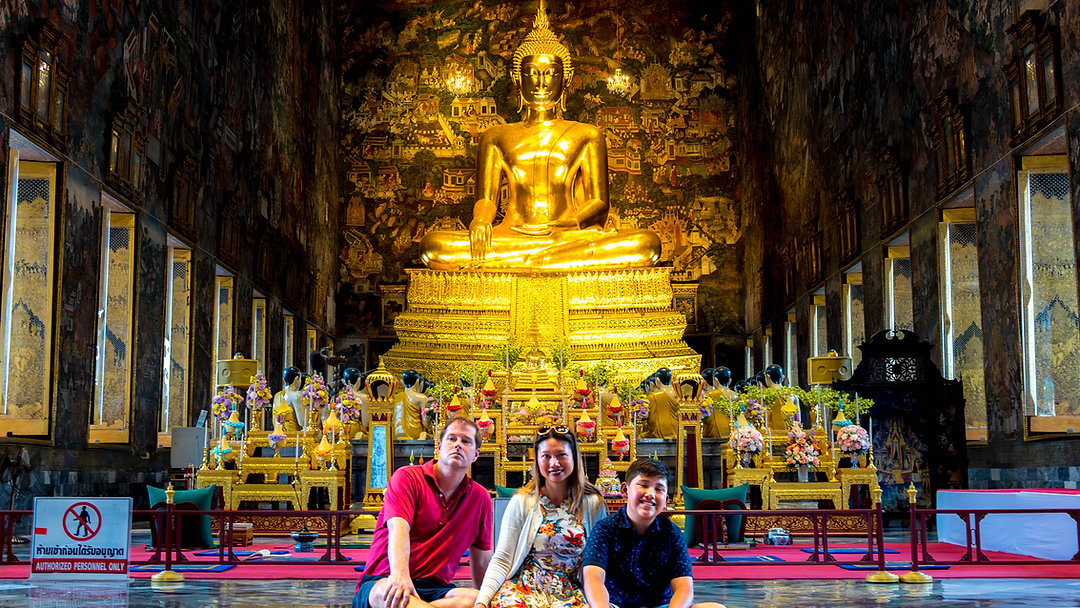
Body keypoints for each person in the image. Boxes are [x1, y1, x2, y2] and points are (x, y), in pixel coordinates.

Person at [418, 3, 660, 270]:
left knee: (646, 244)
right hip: (512, 235)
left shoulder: (587, 134)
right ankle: (543, 260)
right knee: (434, 247)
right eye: (531, 74)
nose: (541, 83)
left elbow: (599, 202)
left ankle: (535, 261)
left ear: (565, 79)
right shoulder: (496, 135)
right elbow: (487, 199)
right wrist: (480, 222)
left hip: (567, 235)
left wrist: (570, 224)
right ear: (517, 78)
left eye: (550, 74)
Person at [354, 417, 494, 608]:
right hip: (386, 577)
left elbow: (482, 561)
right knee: (387, 593)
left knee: (474, 599)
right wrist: (400, 575)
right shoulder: (407, 477)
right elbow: (398, 528)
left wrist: (486, 600)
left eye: (466, 441)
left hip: (436, 589)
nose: (458, 445)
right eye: (451, 439)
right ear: (439, 446)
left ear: (476, 455)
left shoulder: (480, 497)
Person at [474, 425, 607, 608]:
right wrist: (481, 602)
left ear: (574, 457)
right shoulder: (522, 502)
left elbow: (598, 563)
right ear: (537, 460)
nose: (554, 463)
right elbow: (502, 559)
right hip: (524, 589)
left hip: (570, 592)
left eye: (561, 455)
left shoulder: (593, 504)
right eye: (546, 456)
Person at [582, 458, 725, 608]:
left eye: (659, 489)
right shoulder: (605, 529)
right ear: (624, 490)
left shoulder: (671, 533)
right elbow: (593, 577)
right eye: (643, 485)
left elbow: (684, 586)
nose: (650, 494)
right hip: (617, 605)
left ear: (666, 500)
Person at [272, 366, 303, 432]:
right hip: (293, 435)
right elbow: (302, 422)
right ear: (297, 379)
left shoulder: (277, 395)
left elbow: (274, 419)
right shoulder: (296, 395)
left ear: (283, 379)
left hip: (278, 432)